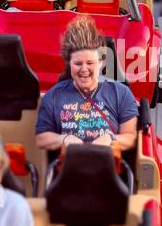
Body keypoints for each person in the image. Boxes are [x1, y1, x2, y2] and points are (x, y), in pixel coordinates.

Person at [35, 15, 138, 155]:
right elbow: (41, 138)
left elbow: (130, 137)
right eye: (78, 63)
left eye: (90, 63)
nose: (84, 69)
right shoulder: (54, 95)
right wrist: (63, 138)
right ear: (69, 64)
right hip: (68, 168)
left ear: (101, 62)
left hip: (109, 168)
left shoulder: (121, 93)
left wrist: (110, 138)